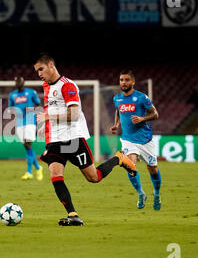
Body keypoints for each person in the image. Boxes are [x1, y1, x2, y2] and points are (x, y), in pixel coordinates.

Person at [34, 53, 137, 226]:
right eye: (37, 70)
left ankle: (118, 158)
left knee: (94, 177)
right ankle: (73, 215)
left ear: (51, 65)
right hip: (55, 141)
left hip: (73, 139)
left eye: (41, 69)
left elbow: (73, 115)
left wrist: (48, 117)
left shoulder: (68, 86)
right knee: (55, 174)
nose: (39, 73)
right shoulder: (46, 86)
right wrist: (45, 127)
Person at [110, 70, 162, 210]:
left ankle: (156, 194)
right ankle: (140, 194)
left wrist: (142, 118)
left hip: (145, 140)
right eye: (121, 80)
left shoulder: (141, 97)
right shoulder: (117, 99)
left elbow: (155, 114)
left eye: (127, 80)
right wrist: (116, 124)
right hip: (128, 139)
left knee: (153, 169)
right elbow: (118, 111)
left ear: (133, 82)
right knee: (130, 165)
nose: (124, 82)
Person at [8, 76, 43, 181]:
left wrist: (29, 109)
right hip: (19, 123)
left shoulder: (31, 92)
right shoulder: (12, 95)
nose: (18, 83)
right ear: (15, 83)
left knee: (28, 144)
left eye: (20, 82)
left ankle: (29, 172)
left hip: (30, 121)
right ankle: (38, 167)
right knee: (27, 147)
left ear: (24, 82)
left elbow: (38, 104)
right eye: (17, 82)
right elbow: (10, 109)